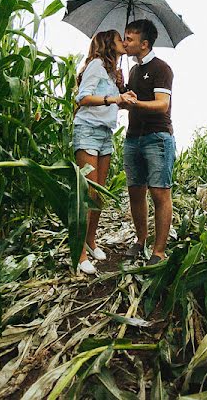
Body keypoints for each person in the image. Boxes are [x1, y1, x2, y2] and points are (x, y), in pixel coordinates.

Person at [73, 30, 137, 275]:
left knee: (98, 193)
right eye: (120, 39)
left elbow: (110, 102)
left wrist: (123, 99)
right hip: (87, 131)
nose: (124, 42)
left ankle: (91, 241)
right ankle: (78, 253)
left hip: (104, 134)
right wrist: (114, 97)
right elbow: (83, 97)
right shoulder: (97, 65)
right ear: (108, 43)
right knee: (87, 193)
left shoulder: (111, 72)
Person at [118, 19, 176, 265]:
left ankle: (159, 251)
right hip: (133, 138)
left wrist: (135, 103)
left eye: (129, 39)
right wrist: (120, 91)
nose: (124, 43)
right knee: (135, 192)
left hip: (157, 138)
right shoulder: (133, 70)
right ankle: (140, 241)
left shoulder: (162, 68)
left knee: (159, 192)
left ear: (144, 44)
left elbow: (162, 105)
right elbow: (128, 101)